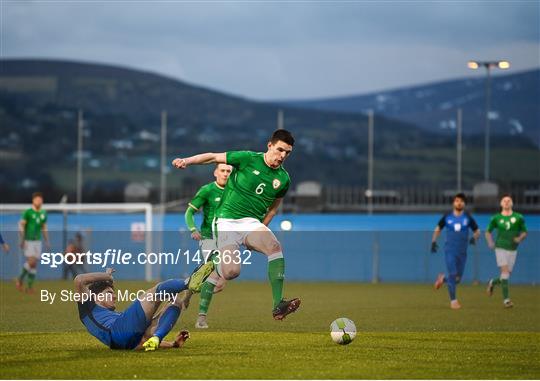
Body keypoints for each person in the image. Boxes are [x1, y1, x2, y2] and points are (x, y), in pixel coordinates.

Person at [172, 129, 301, 320]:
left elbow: (272, 210)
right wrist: (187, 161)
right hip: (226, 221)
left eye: (287, 153)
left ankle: (278, 305)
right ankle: (210, 265)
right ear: (270, 145)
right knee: (232, 272)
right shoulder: (248, 158)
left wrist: (261, 228)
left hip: (251, 223)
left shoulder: (283, 179)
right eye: (280, 150)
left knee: (275, 247)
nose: (282, 156)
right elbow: (213, 157)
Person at [75, 261, 214, 351]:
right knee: (153, 293)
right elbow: (79, 280)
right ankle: (188, 282)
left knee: (176, 300)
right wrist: (107, 277)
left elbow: (140, 342)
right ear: (96, 297)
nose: (115, 296)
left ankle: (157, 337)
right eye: (109, 293)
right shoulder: (88, 308)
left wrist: (173, 344)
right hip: (117, 334)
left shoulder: (112, 317)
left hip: (124, 344)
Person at [185, 163, 232, 329]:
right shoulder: (207, 190)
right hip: (208, 238)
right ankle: (201, 319)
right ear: (215, 172)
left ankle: (189, 288)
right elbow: (189, 212)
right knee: (217, 273)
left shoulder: (236, 191)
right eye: (223, 170)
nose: (226, 174)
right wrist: (193, 229)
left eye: (228, 171)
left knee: (209, 277)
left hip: (227, 239)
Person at [431, 193, 480, 309]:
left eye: (461, 201)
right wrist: (433, 241)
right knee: (453, 274)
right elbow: (438, 228)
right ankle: (453, 301)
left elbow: (477, 231)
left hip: (462, 253)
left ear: (464, 204)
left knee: (456, 279)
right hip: (450, 251)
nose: (459, 203)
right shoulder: (447, 217)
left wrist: (474, 238)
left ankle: (443, 279)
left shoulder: (468, 218)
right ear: (454, 203)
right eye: (457, 200)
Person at [485, 194, 527, 308]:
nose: (507, 202)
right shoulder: (496, 218)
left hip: (513, 249)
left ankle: (492, 282)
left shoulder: (519, 217)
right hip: (500, 247)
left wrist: (519, 238)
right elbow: (488, 231)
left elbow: (524, 232)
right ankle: (506, 300)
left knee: (506, 275)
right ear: (501, 204)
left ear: (512, 203)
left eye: (509, 200)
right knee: (505, 272)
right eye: (504, 200)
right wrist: (490, 242)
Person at [17, 192, 49, 293]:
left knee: (34, 264)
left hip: (38, 241)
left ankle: (30, 287)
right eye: (37, 199)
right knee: (31, 261)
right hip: (28, 240)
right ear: (33, 200)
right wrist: (22, 239)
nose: (39, 201)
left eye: (40, 199)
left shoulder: (43, 213)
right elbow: (21, 225)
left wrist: (47, 240)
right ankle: (20, 279)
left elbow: (44, 227)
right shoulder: (28, 212)